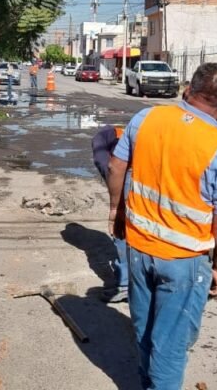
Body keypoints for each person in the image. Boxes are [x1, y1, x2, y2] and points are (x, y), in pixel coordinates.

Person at [106, 62, 217, 390]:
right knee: (170, 344)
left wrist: (116, 210)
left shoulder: (146, 118)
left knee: (144, 329)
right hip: (184, 261)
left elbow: (115, 165)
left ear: (187, 91)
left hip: (139, 251)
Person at [92, 125, 128, 304]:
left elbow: (109, 168)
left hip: (133, 180)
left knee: (121, 230)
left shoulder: (101, 140)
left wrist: (115, 204)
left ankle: (124, 285)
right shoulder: (134, 131)